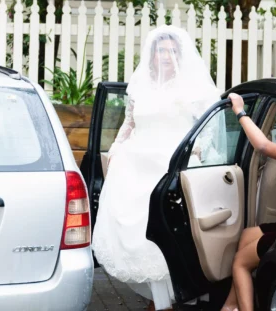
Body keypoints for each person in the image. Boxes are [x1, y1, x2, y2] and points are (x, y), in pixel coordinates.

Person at [92, 25, 222, 311]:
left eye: (172, 51)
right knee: (138, 237)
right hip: (136, 168)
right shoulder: (139, 86)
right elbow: (129, 123)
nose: (166, 56)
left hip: (170, 169)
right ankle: (157, 300)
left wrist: (195, 150)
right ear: (152, 55)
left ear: (180, 54)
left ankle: (165, 302)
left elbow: (209, 125)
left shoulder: (192, 88)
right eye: (161, 50)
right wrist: (114, 152)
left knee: (166, 233)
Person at [220, 93, 276, 311]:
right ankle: (231, 306)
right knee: (247, 235)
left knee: (240, 262)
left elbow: (263, 147)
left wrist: (240, 111)